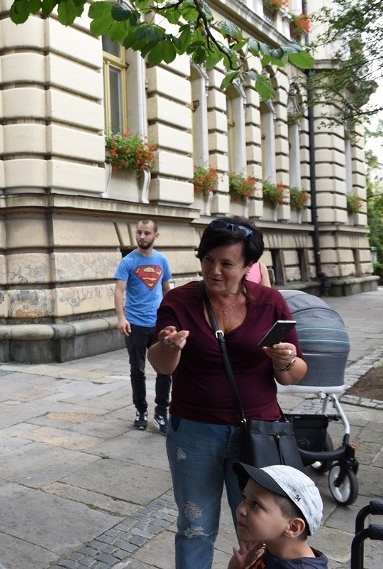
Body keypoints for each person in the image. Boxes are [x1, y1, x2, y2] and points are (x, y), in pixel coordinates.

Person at [148, 216, 308, 569]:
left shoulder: (270, 303)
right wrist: (170, 346)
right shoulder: (180, 301)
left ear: (249, 266)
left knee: (258, 533)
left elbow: (294, 376)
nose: (214, 271)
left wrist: (286, 359)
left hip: (257, 435)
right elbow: (161, 364)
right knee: (195, 527)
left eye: (226, 263)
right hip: (194, 432)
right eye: (208, 260)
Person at [113, 219, 173, 433]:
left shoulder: (162, 261)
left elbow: (167, 290)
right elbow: (119, 291)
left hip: (158, 325)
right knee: (137, 370)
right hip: (135, 324)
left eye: (147, 233)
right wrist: (121, 318)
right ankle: (141, 410)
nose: (142, 236)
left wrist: (171, 319)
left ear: (155, 235)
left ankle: (161, 413)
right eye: (139, 232)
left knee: (164, 370)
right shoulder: (128, 261)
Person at [230, 462, 328, 569]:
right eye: (244, 498)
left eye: (256, 505)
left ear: (293, 527)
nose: (241, 509)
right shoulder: (273, 551)